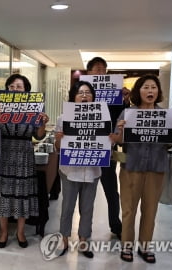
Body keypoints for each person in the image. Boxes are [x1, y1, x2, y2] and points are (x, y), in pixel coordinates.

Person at [111, 74, 172, 263]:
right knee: (128, 209)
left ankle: (145, 247)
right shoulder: (128, 114)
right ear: (138, 91)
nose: (150, 90)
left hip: (156, 168)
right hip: (131, 167)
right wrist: (121, 130)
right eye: (145, 87)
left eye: (153, 87)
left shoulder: (165, 116)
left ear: (158, 92)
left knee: (150, 210)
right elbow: (117, 141)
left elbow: (167, 145)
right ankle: (127, 245)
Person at [0, 73, 49, 248]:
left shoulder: (34, 108)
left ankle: (21, 231)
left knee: (23, 193)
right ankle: (3, 231)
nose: (15, 90)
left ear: (26, 91)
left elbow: (38, 136)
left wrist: (43, 123)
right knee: (3, 194)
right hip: (4, 153)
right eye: (11, 87)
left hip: (24, 154)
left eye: (19, 87)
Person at [54, 81, 103, 259]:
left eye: (88, 93)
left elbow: (105, 144)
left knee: (87, 207)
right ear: (73, 97)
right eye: (80, 93)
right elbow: (58, 147)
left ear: (93, 97)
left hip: (92, 169)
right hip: (69, 170)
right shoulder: (63, 118)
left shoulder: (101, 118)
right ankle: (64, 239)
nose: (84, 96)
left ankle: (84, 240)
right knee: (67, 207)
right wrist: (59, 138)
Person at [86, 56, 128, 239]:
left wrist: (126, 100)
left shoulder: (114, 95)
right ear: (89, 73)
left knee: (111, 190)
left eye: (103, 69)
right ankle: (83, 231)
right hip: (85, 148)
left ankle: (116, 225)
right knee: (85, 192)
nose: (101, 72)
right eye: (97, 69)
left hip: (106, 147)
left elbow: (121, 116)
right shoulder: (81, 93)